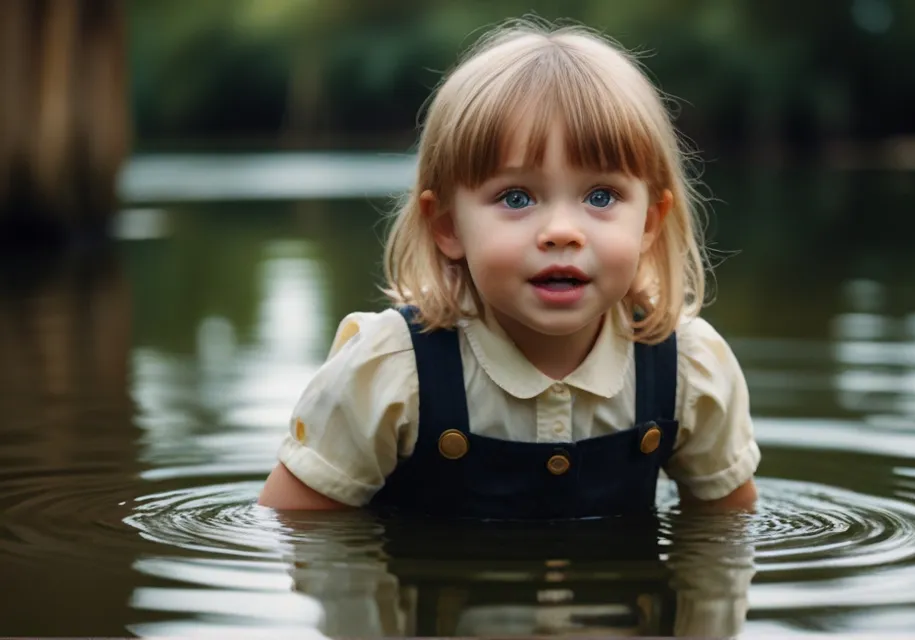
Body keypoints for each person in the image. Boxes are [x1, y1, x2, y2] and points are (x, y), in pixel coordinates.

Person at [257, 17, 760, 518]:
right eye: (516, 197)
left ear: (649, 223)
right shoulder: (390, 371)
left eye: (601, 195)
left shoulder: (688, 369)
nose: (562, 231)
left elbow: (727, 539)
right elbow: (297, 531)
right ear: (449, 227)